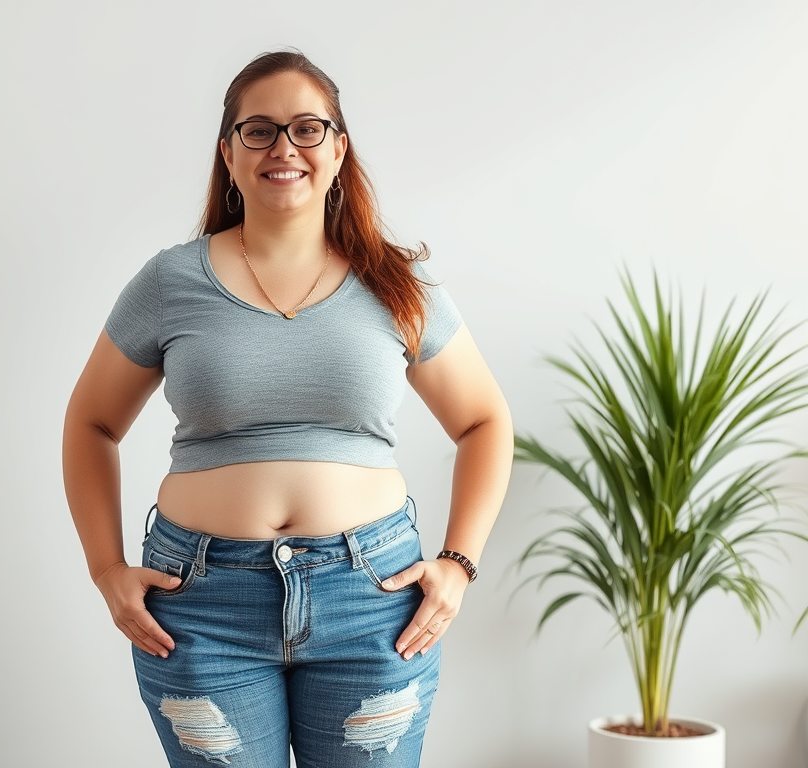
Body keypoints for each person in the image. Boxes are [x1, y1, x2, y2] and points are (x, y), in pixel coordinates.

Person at [62, 49, 514, 768]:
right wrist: (103, 568)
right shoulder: (170, 280)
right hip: (203, 607)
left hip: (372, 603)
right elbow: (91, 423)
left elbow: (484, 421)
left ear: (338, 149)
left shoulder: (398, 283)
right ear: (229, 155)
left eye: (308, 128)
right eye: (260, 131)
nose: (284, 148)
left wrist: (458, 562)